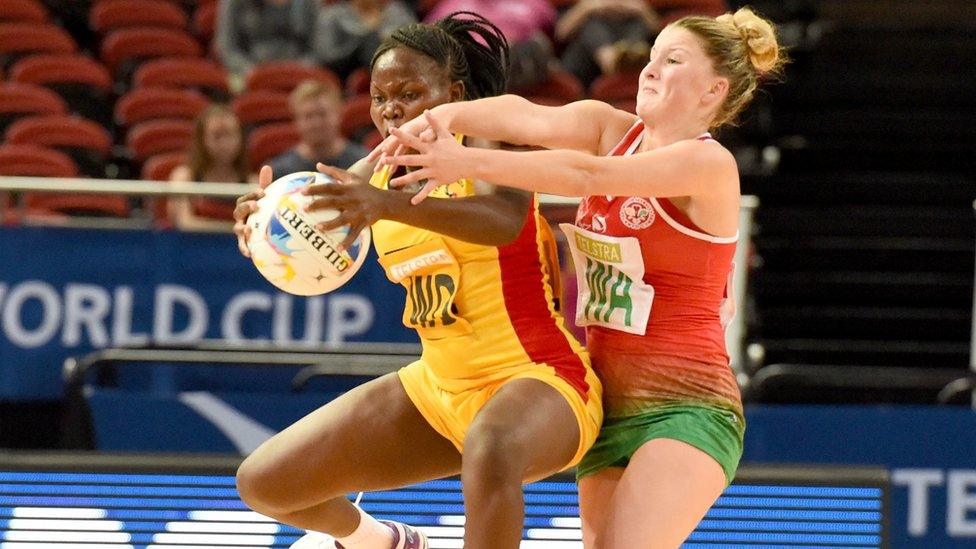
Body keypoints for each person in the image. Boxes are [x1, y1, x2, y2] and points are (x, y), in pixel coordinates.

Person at [373, 7, 785, 548]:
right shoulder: (608, 127)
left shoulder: (709, 166)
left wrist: (468, 164)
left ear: (714, 90)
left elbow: (587, 174)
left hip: (688, 407)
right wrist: (447, 119)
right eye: (653, 56)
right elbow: (523, 115)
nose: (651, 69)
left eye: (673, 60)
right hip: (605, 400)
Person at [232, 12, 603, 549]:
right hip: (439, 390)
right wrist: (261, 220)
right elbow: (309, 216)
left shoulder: (491, 142)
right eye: (381, 98)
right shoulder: (376, 170)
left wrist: (388, 205)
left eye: (409, 92)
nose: (391, 110)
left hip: (542, 380)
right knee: (266, 483)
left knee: (491, 448)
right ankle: (383, 542)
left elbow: (504, 222)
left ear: (451, 92)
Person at [169, 104, 255, 231]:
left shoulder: (252, 183)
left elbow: (257, 227)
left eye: (231, 135)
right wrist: (234, 229)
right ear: (202, 139)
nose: (225, 144)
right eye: (217, 136)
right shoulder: (184, 177)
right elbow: (184, 223)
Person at [267, 80, 368, 176]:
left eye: (322, 114)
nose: (316, 123)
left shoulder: (365, 163)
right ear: (296, 121)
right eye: (308, 116)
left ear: (339, 115)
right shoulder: (279, 171)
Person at [217, 0, 320, 88]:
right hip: (250, 72)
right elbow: (227, 47)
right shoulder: (234, 2)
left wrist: (302, 69)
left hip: (301, 72)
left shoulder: (309, 2)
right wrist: (251, 71)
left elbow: (318, 46)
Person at [556, 0, 661, 87]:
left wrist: (641, 9)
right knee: (591, 24)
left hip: (630, 58)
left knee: (637, 24)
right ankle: (610, 58)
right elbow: (560, 34)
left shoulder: (636, 17)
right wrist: (587, 8)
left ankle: (627, 54)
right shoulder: (588, 11)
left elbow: (660, 33)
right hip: (587, 66)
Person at [315, 0, 417, 79]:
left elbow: (416, 43)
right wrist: (365, 39)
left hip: (400, 64)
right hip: (345, 70)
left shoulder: (397, 12)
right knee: (371, 41)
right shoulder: (332, 16)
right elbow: (328, 56)